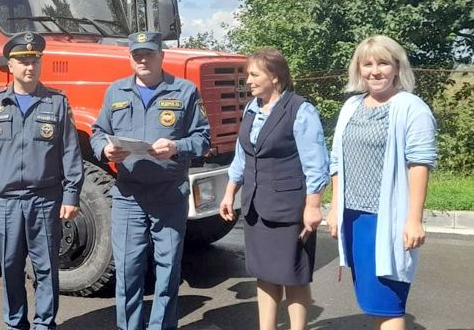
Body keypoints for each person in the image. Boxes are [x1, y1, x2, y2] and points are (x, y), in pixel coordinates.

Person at [89, 31, 210, 330]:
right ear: (130, 58)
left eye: (149, 53)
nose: (143, 59)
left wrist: (177, 147)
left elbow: (202, 138)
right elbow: (97, 131)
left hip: (169, 195)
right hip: (128, 195)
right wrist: (104, 150)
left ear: (161, 56)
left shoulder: (185, 91)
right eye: (137, 54)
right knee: (129, 269)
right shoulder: (115, 92)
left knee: (168, 269)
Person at [0, 31, 83, 330]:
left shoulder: (56, 103)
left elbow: (70, 152)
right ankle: (15, 323)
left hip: (44, 199)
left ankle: (45, 324)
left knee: (46, 268)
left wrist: (71, 196)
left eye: (34, 60)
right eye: (22, 61)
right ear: (10, 64)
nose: (29, 67)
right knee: (10, 267)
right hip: (5, 202)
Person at [326, 35, 437, 330]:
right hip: (354, 218)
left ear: (397, 67)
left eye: (383, 63)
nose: (375, 71)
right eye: (368, 64)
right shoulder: (351, 106)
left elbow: (419, 164)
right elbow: (337, 160)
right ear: (358, 69)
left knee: (389, 305)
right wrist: (335, 207)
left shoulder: (412, 108)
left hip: (387, 220)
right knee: (372, 303)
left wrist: (414, 220)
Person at [218, 49, 329, 330]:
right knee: (264, 274)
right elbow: (242, 157)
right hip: (256, 207)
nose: (248, 81)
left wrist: (313, 207)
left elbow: (316, 165)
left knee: (293, 275)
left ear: (275, 77)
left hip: (289, 208)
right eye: (248, 75)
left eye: (254, 75)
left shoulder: (301, 110)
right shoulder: (251, 109)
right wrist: (230, 192)